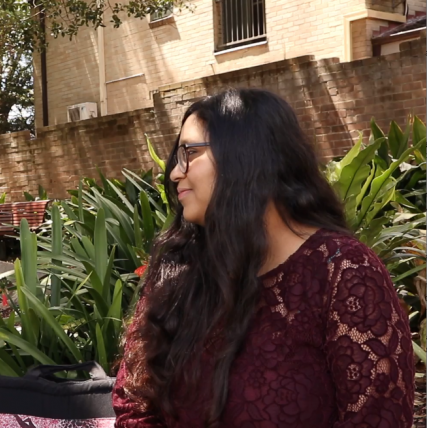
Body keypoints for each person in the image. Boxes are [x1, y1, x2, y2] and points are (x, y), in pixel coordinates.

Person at [113, 89, 414, 427]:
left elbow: (377, 417)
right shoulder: (178, 273)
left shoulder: (342, 272)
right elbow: (135, 405)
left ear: (248, 157)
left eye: (190, 153)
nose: (174, 173)